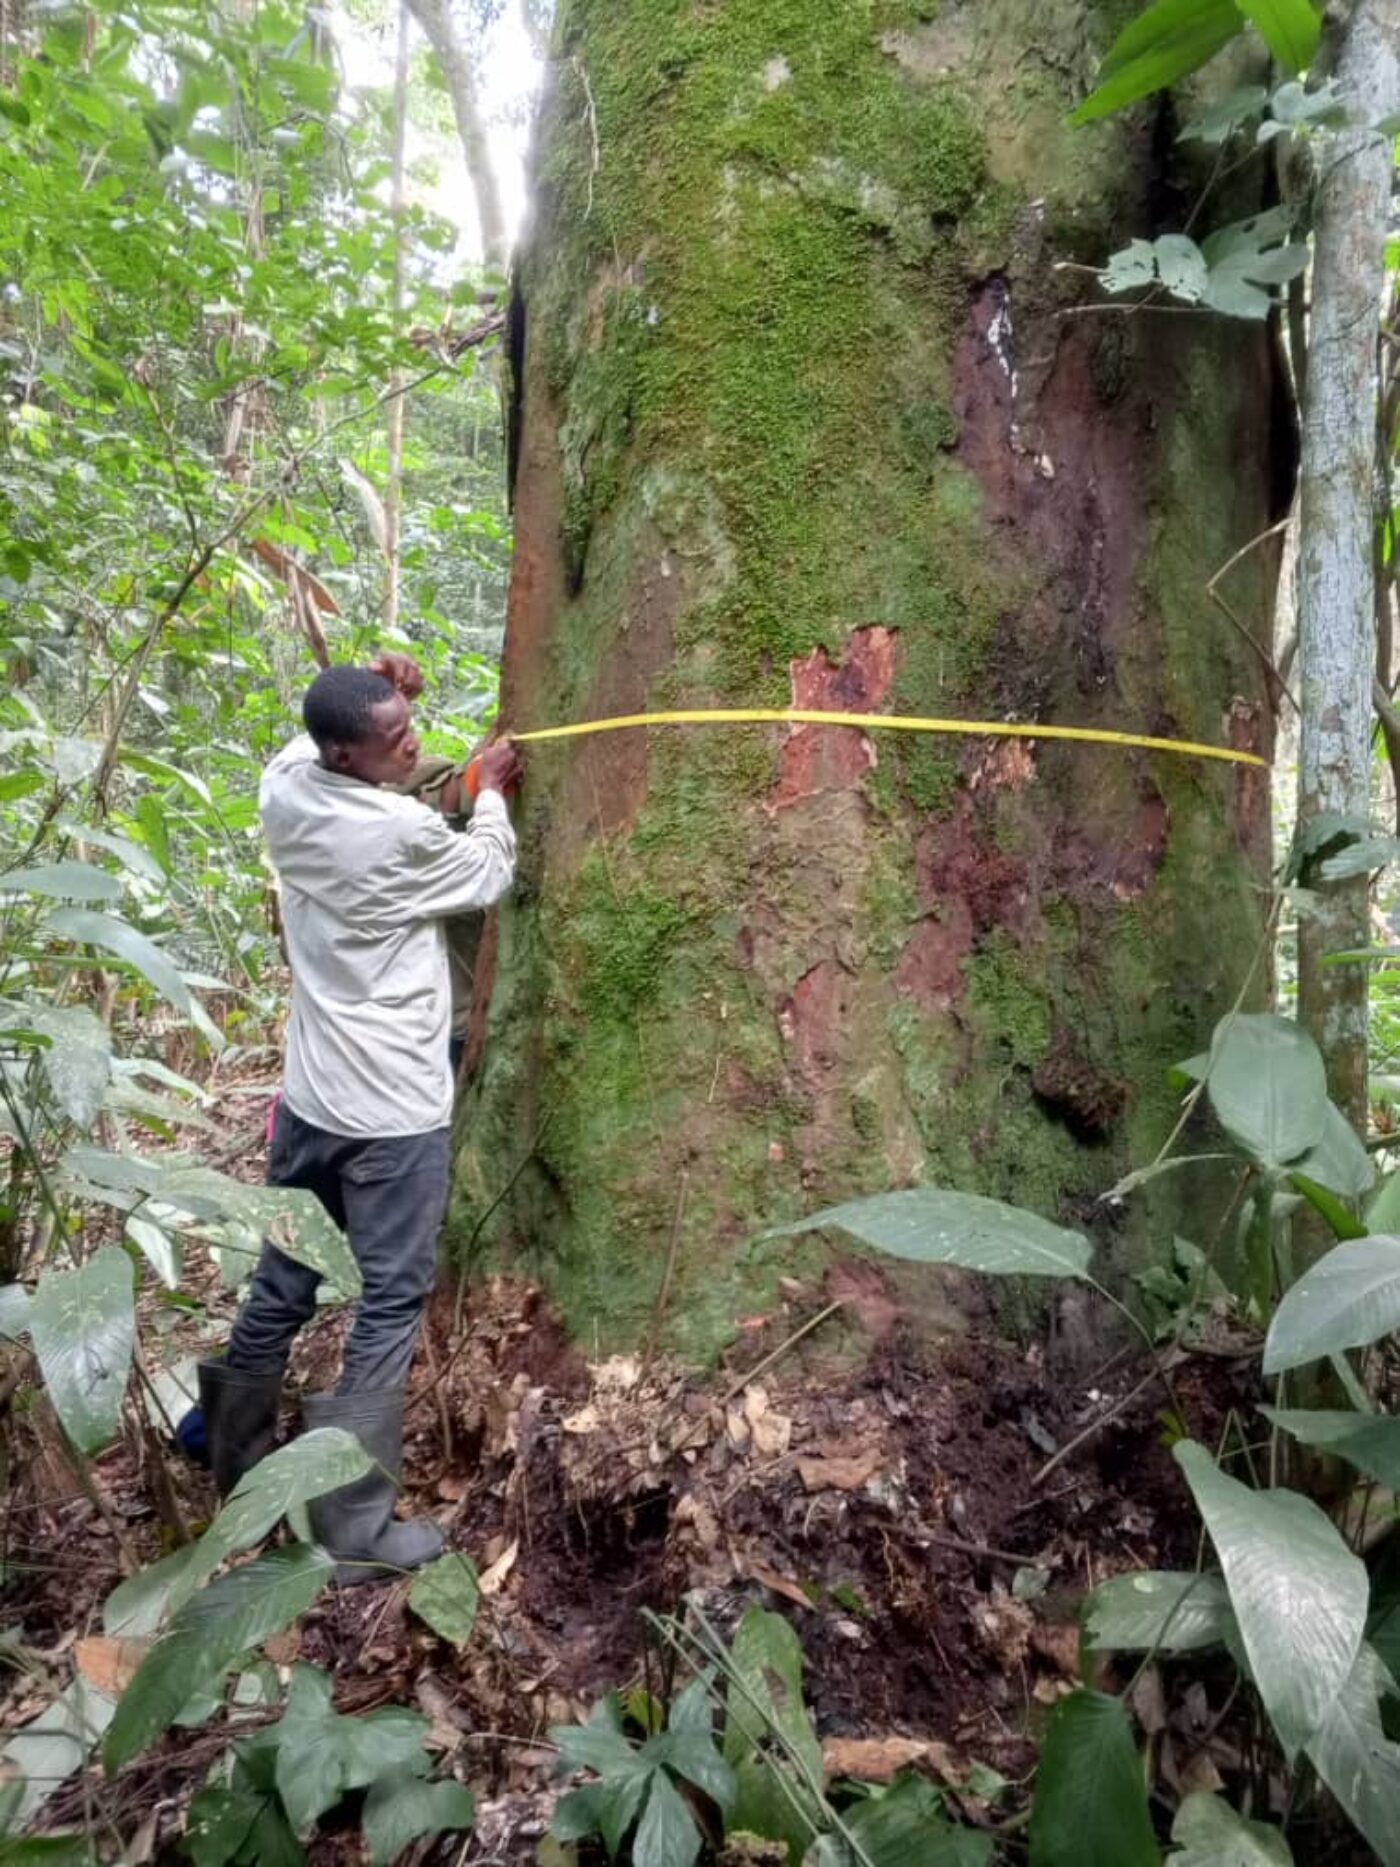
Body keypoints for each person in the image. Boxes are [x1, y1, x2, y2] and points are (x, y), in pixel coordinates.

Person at [196, 652, 521, 1583]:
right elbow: (488, 869)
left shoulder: (287, 789)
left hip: (312, 1100)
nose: (413, 742)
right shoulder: (390, 836)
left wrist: (388, 695)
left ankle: (236, 1463)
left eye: (406, 725)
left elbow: (312, 740)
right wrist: (491, 792)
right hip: (392, 1113)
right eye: (394, 740)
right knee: (390, 1296)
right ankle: (355, 1526)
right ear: (347, 756)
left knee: (284, 1278)